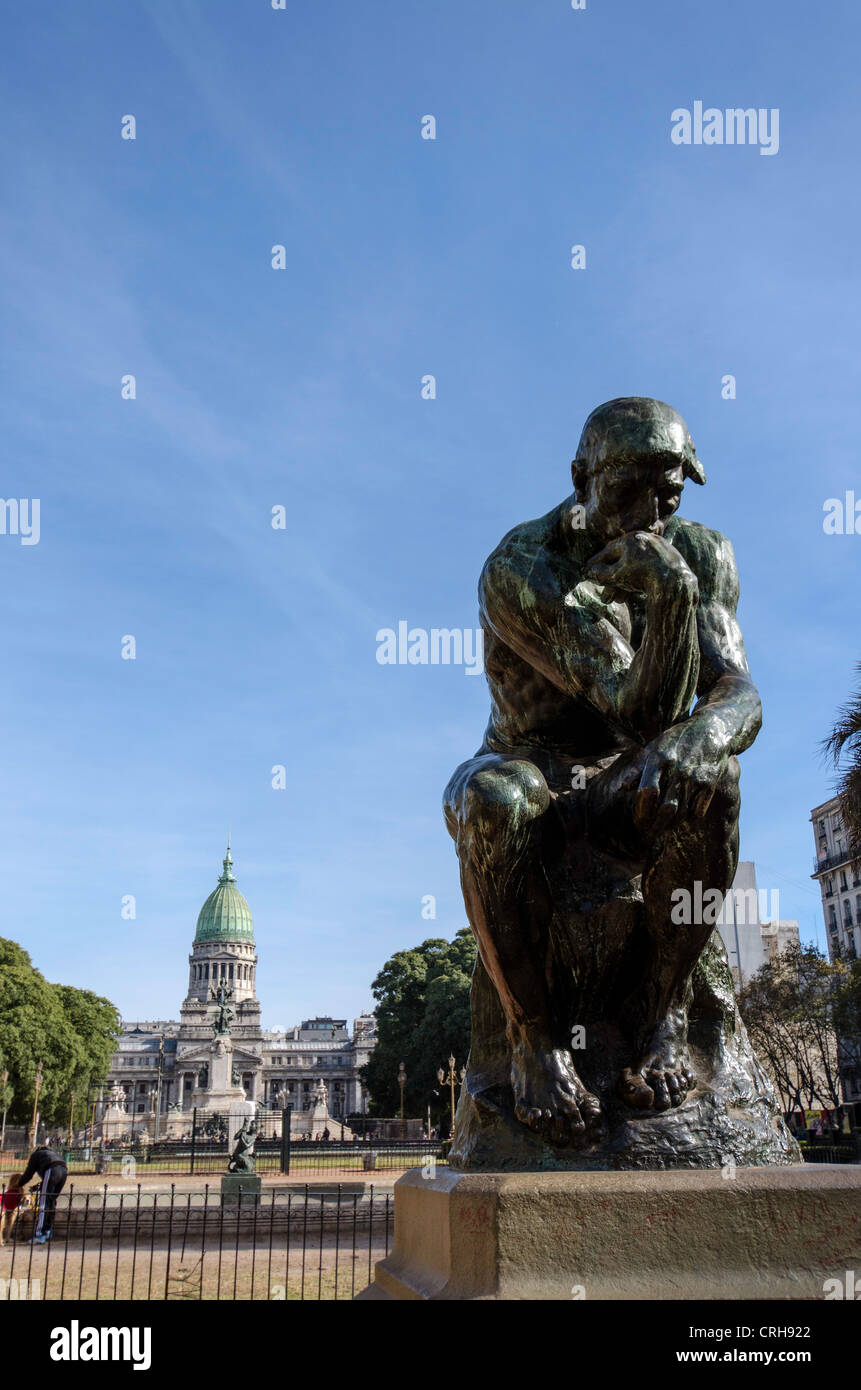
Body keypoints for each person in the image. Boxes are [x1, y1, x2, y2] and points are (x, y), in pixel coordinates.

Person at [18, 1143, 68, 1243]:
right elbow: (49, 1179)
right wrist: (37, 1187)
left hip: (52, 1169)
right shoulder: (52, 1153)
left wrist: (18, 1184)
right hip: (64, 1171)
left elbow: (28, 1174)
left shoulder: (35, 1156)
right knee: (52, 1201)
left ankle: (40, 1234)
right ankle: (48, 1230)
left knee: (44, 1203)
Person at [0, 1174, 28, 1245]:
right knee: (9, 1221)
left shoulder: (10, 1192)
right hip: (2, 1206)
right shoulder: (18, 1194)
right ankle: (6, 1238)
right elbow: (12, 1213)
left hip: (2, 1205)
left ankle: (5, 1238)